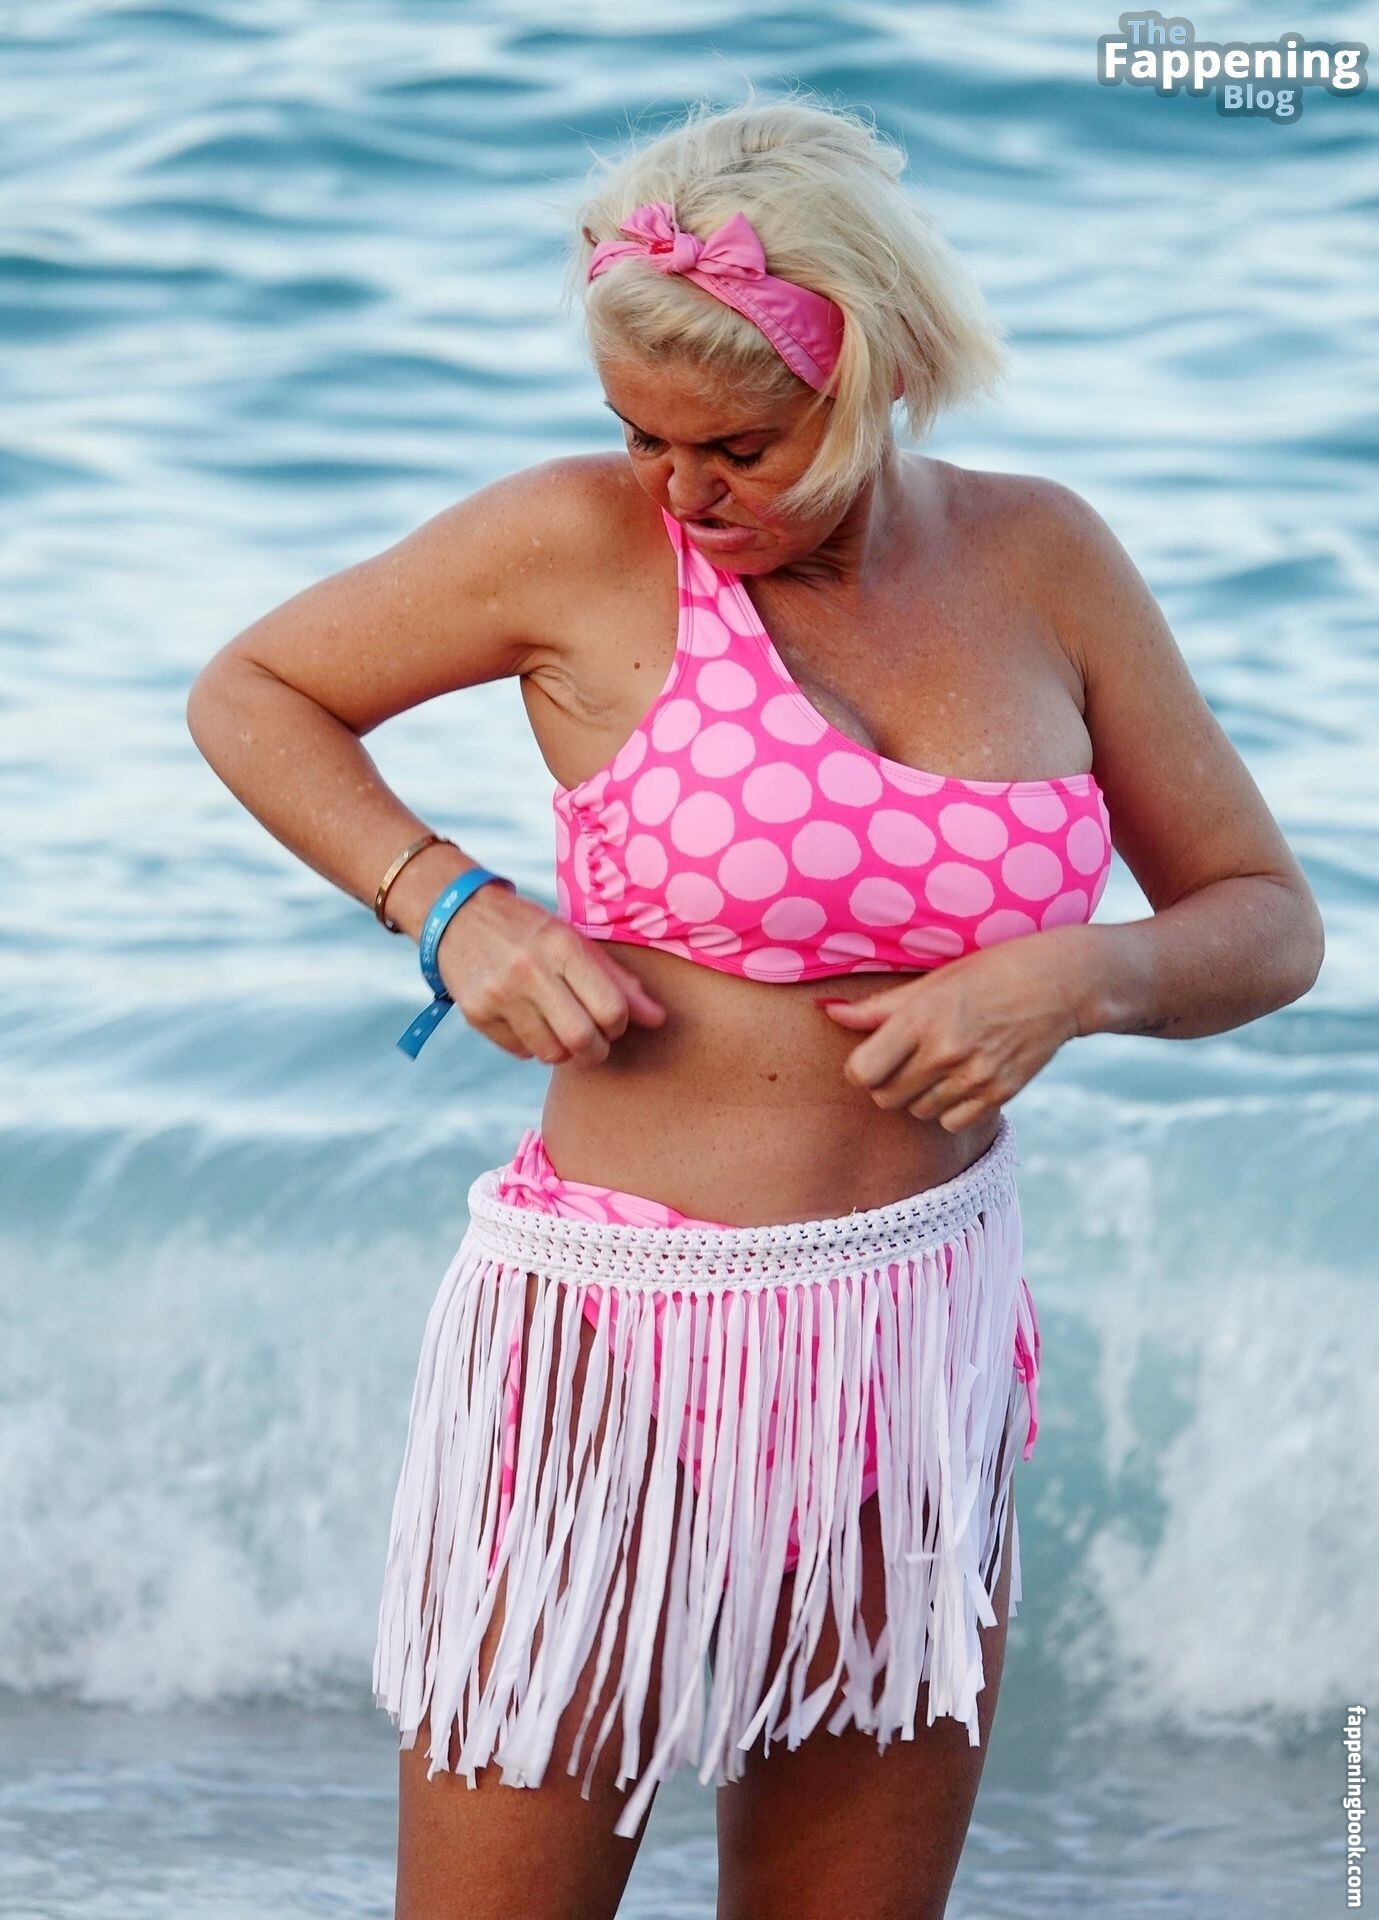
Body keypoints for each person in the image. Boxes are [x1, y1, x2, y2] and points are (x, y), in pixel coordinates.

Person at [186, 88, 1324, 1920]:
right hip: (611, 1350)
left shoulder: (1046, 559)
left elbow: (1266, 924)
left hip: (916, 1354)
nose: (681, 491)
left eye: (738, 445)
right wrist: (453, 907)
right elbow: (252, 691)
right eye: (638, 433)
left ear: (878, 379)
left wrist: (1083, 976)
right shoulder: (574, 542)